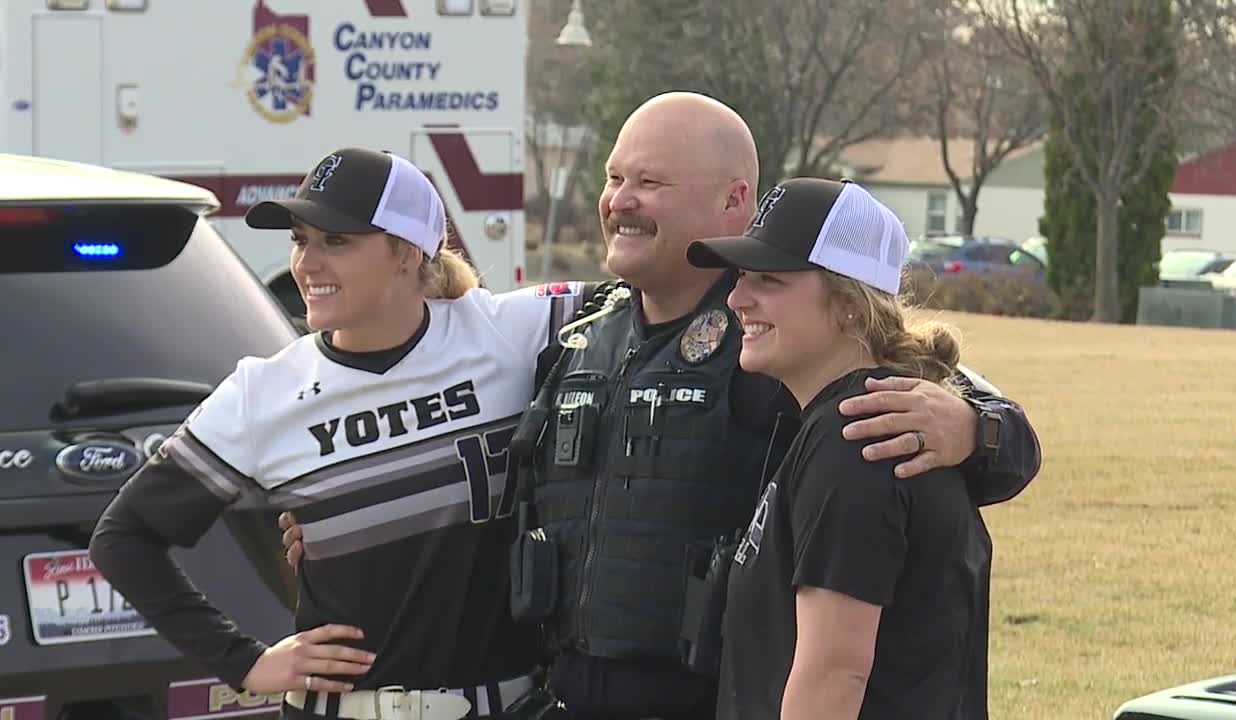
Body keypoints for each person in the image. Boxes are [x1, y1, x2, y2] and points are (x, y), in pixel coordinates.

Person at [282, 92, 1039, 720]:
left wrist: (977, 427)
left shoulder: (780, 335)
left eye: (650, 183)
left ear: (733, 200)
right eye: (614, 179)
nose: (619, 202)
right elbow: (464, 445)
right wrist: (344, 521)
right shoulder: (569, 330)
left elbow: (918, 377)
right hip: (559, 692)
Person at [89, 147, 597, 720]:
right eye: (301, 240)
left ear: (407, 253)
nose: (306, 264)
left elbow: (655, 297)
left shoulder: (510, 331)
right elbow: (122, 537)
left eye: (336, 242)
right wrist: (245, 662)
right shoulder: (262, 393)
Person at [687, 177, 992, 720]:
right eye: (739, 277)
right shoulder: (853, 419)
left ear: (849, 305)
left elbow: (834, 674)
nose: (737, 298)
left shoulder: (857, 437)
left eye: (769, 279)